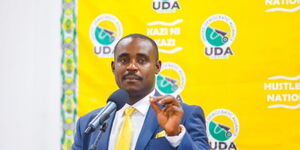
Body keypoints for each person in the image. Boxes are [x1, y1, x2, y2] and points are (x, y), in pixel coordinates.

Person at [72, 33, 210, 150]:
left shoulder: (185, 116)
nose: (132, 66)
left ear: (157, 67)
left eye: (142, 60)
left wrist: (176, 134)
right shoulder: (89, 124)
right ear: (114, 67)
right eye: (124, 60)